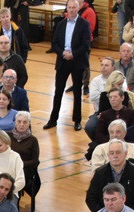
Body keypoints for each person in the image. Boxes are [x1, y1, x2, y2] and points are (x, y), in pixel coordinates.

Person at [44, 0, 91, 131]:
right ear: (67, 9)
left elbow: (86, 45)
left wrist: (73, 54)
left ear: (78, 8)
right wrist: (63, 53)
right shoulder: (60, 24)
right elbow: (55, 44)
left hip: (77, 62)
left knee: (77, 92)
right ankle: (53, 120)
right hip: (63, 61)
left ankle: (77, 120)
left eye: (74, 7)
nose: (71, 10)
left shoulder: (84, 24)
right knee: (58, 91)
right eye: (69, 7)